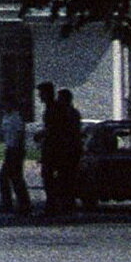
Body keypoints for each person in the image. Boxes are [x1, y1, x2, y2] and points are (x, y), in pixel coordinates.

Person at [42, 85, 85, 219]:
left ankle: (61, 205)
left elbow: (58, 131)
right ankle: (64, 205)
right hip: (68, 149)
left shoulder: (65, 112)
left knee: (63, 178)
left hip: (64, 149)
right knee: (65, 178)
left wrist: (45, 135)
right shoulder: (70, 112)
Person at [0, 100, 32, 216]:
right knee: (12, 177)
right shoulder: (5, 117)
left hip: (16, 150)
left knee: (9, 177)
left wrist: (17, 149)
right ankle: (19, 203)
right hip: (9, 149)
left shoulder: (17, 118)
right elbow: (2, 134)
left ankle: (17, 204)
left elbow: (21, 134)